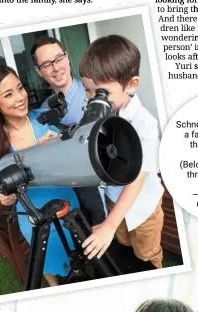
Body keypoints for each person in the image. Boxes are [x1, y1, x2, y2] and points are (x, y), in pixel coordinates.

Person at [0, 64, 80, 287]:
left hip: (68, 203)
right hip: (36, 218)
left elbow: (73, 160)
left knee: (79, 257)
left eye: (20, 88)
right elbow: (4, 197)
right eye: (8, 94)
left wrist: (56, 148)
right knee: (50, 267)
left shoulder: (44, 117)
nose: (20, 97)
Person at [79, 35, 164, 269]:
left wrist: (108, 225)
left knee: (147, 255)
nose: (91, 99)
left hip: (143, 210)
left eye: (100, 93)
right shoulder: (103, 113)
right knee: (125, 249)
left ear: (131, 84)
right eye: (87, 91)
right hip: (114, 203)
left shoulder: (144, 124)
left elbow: (136, 180)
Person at [31, 36, 107, 226]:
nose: (56, 68)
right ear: (39, 71)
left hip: (108, 180)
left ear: (66, 57)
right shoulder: (44, 110)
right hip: (73, 189)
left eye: (58, 59)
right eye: (47, 64)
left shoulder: (94, 90)